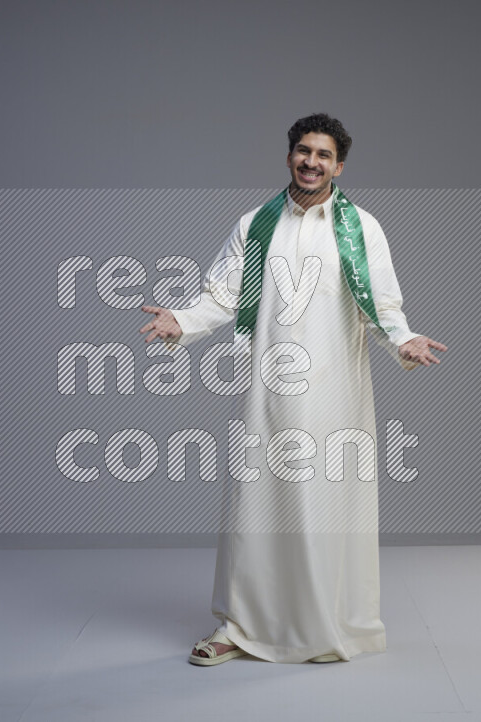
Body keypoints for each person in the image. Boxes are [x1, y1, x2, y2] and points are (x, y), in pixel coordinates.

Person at [139, 113, 447, 665]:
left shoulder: (360, 228)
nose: (311, 162)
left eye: (323, 155)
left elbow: (381, 305)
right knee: (255, 506)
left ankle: (325, 624)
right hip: (269, 393)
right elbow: (223, 294)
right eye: (303, 151)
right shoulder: (255, 224)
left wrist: (403, 340)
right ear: (288, 157)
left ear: (339, 165)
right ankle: (240, 627)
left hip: (337, 394)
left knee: (328, 505)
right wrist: (181, 322)